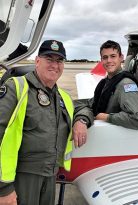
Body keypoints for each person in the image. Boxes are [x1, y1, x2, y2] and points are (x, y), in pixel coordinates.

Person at [0, 40, 75, 205]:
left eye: (59, 60)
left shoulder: (63, 97)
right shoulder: (16, 88)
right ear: (37, 61)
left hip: (50, 176)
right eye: (49, 58)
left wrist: (82, 120)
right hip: (22, 177)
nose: (54, 65)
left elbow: (84, 107)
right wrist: (3, 188)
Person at [72, 40, 138, 147]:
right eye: (105, 57)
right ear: (101, 60)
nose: (109, 61)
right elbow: (91, 104)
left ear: (121, 57)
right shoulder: (106, 82)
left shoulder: (125, 84)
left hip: (114, 143)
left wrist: (106, 117)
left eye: (113, 56)